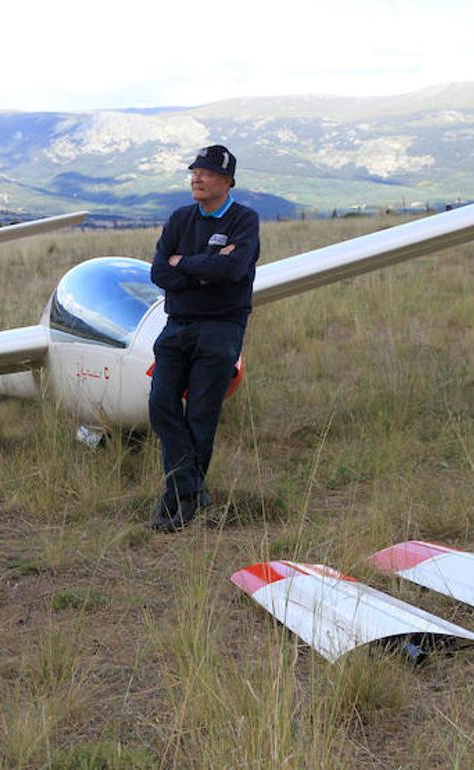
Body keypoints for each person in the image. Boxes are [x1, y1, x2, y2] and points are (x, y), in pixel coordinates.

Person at [148, 145, 260, 532]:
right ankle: (191, 491)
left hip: (221, 327)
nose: (197, 178)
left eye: (207, 173)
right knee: (161, 404)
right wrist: (204, 269)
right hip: (177, 325)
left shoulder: (245, 221)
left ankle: (176, 505)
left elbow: (232, 271)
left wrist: (187, 264)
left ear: (227, 181)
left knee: (200, 414)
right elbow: (160, 272)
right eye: (194, 171)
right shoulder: (180, 218)